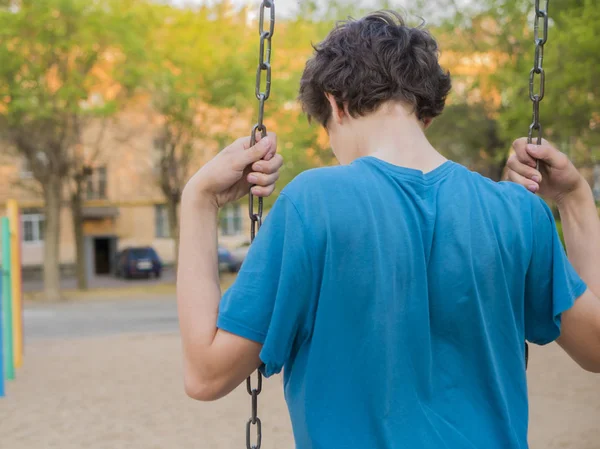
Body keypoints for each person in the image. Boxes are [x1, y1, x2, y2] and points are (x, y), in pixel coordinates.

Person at [176, 10, 600, 449]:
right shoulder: (519, 213)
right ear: (426, 115)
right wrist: (574, 199)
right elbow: (596, 348)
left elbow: (206, 374)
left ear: (334, 104)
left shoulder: (313, 203)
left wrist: (199, 200)